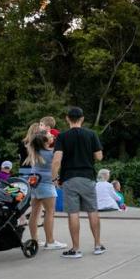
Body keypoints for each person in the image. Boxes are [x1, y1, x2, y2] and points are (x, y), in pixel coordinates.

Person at [51, 107, 105, 259]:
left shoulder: (62, 137)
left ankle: (76, 249)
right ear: (82, 119)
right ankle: (98, 245)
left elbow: (56, 161)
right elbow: (99, 156)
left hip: (69, 178)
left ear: (67, 118)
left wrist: (54, 179)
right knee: (92, 210)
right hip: (87, 176)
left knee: (73, 213)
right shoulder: (91, 134)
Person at [21, 132, 65, 249]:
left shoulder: (34, 151)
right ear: (46, 142)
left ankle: (34, 239)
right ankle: (50, 241)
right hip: (46, 183)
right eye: (50, 136)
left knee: (34, 213)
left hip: (35, 183)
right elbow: (58, 163)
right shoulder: (51, 153)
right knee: (50, 212)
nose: (53, 137)